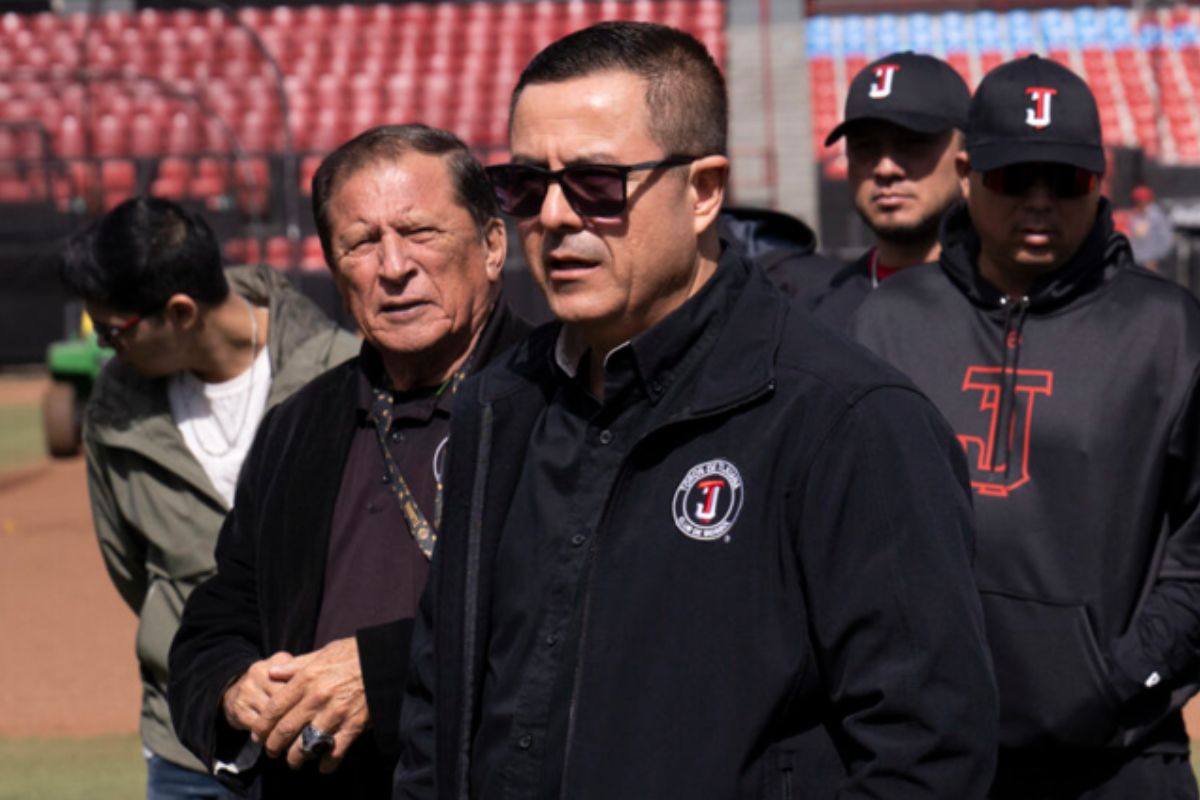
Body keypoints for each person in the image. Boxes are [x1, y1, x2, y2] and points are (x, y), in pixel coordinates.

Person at [395, 22, 997, 799]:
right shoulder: (494, 405)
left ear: (705, 191)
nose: (553, 217)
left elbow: (928, 755)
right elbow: (439, 704)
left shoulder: (850, 419)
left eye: (595, 184)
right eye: (524, 186)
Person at [852, 56, 1200, 799]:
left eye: (1065, 180)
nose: (1040, 203)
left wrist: (1126, 674)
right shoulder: (886, 321)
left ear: (1099, 179)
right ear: (970, 172)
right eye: (1016, 178)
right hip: (928, 753)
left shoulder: (1168, 330)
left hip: (1120, 753)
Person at [167, 125, 530, 798]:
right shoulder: (298, 427)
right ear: (337, 274)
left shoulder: (562, 403)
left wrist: (386, 672)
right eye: (362, 243)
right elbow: (222, 612)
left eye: (420, 232)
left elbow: (568, 614)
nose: (393, 266)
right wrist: (233, 685)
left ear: (491, 246)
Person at [57, 196, 357, 799]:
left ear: (181, 311)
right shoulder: (114, 408)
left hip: (328, 745)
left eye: (114, 331)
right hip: (187, 747)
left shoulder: (342, 370)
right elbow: (134, 573)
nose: (109, 350)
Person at [813, 51, 970, 328]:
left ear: (965, 161)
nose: (885, 169)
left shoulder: (1012, 296)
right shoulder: (822, 314)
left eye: (913, 143)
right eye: (865, 147)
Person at [1128, 184, 1174, 274]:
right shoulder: (1135, 216)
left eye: (1139, 201)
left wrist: (1154, 258)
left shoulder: (1156, 216)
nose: (1137, 204)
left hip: (1152, 263)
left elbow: (1167, 240)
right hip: (1137, 261)